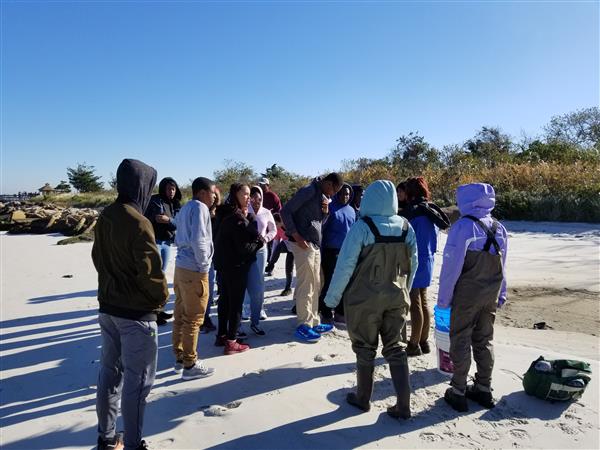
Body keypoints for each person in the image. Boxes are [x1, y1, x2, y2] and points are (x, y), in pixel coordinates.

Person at [324, 180, 418, 419]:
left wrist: (331, 300)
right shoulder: (406, 227)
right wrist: (404, 290)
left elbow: (344, 267)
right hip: (397, 296)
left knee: (365, 349)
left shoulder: (361, 227)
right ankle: (403, 405)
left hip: (364, 299)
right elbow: (413, 265)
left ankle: (363, 398)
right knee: (396, 348)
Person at [92, 158, 169, 450]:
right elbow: (151, 273)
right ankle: (135, 444)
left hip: (108, 307)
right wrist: (159, 302)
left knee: (109, 375)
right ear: (142, 187)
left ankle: (106, 438)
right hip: (136, 313)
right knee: (137, 384)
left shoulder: (106, 215)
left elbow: (97, 258)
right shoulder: (139, 222)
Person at [437, 183, 508, 412]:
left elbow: (452, 267)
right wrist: (502, 294)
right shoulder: (500, 228)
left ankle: (458, 390)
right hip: (491, 291)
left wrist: (443, 299)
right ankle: (484, 388)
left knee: (460, 338)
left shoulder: (463, 227)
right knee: (485, 339)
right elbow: (503, 265)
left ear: (466, 201)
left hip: (468, 293)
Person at [281, 173, 343, 342]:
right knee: (306, 285)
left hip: (314, 244)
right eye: (333, 190)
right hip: (303, 244)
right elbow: (285, 211)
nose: (333, 195)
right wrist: (296, 235)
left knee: (316, 284)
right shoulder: (308, 191)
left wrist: (325, 212)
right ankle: (303, 325)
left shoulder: (321, 195)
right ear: (328, 183)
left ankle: (314, 321)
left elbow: (318, 222)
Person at [172, 177, 217, 380]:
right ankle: (190, 365)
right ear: (202, 192)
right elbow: (199, 239)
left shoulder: (185, 208)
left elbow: (179, 236)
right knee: (193, 318)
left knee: (181, 314)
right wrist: (204, 266)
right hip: (194, 269)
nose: (215, 196)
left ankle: (180, 358)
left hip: (181, 266)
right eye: (212, 192)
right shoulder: (200, 208)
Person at [214, 183, 264, 354]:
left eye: (249, 194)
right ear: (235, 194)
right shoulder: (236, 217)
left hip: (223, 264)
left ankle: (222, 335)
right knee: (235, 304)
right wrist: (260, 242)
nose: (248, 198)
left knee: (225, 300)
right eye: (245, 194)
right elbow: (244, 247)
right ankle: (231, 341)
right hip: (236, 265)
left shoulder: (224, 212)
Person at [404, 177, 450, 356]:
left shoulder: (414, 212)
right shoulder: (431, 209)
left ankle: (414, 344)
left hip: (415, 259)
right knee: (423, 300)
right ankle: (424, 341)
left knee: (415, 302)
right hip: (429, 258)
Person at [144, 177, 182, 326]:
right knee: (155, 277)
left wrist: (169, 220)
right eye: (168, 188)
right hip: (155, 242)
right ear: (162, 189)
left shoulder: (176, 203)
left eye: (173, 189)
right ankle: (153, 313)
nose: (171, 192)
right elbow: (154, 219)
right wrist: (167, 221)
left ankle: (159, 310)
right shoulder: (155, 200)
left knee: (161, 276)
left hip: (167, 243)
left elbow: (176, 224)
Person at [319, 182, 356, 325]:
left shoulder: (352, 211)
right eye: (342, 193)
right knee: (329, 283)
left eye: (347, 194)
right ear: (337, 193)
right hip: (330, 251)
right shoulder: (330, 208)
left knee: (345, 283)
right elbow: (321, 229)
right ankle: (326, 312)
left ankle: (340, 313)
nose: (345, 196)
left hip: (347, 252)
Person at [243, 185, 276, 335]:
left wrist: (266, 238)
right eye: (254, 197)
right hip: (245, 250)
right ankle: (246, 307)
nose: (257, 200)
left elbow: (273, 230)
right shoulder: (244, 211)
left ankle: (258, 311)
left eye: (259, 198)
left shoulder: (266, 212)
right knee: (245, 279)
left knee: (259, 281)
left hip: (261, 251)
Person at [201, 187, 221, 334]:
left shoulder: (220, 213)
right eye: (212, 194)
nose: (214, 197)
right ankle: (204, 318)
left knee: (211, 287)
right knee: (205, 289)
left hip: (216, 255)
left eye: (216, 194)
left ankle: (205, 317)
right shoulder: (200, 212)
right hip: (203, 257)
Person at [265, 212, 294, 296]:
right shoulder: (277, 230)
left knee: (289, 269)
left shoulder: (289, 225)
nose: (275, 226)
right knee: (279, 247)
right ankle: (271, 265)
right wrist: (271, 261)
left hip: (295, 247)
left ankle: (288, 288)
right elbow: (275, 245)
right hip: (288, 247)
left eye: (276, 223)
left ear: (281, 221)